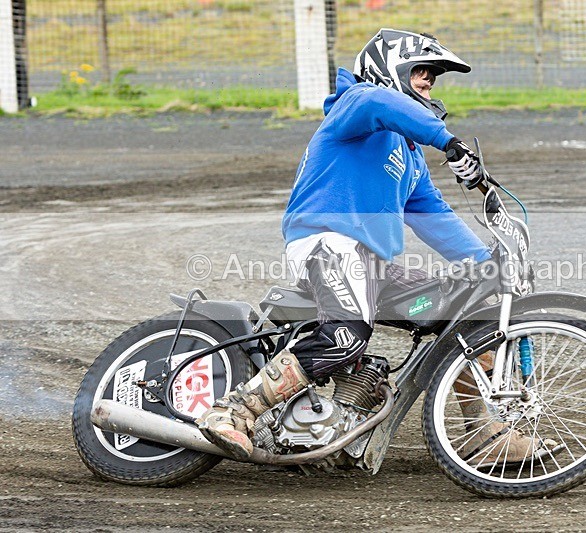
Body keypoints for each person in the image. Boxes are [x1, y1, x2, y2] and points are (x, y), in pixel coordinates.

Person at [197, 29, 552, 465]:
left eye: (433, 76)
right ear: (388, 70)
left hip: (371, 266)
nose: (428, 82)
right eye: (420, 70)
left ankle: (487, 433)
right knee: (345, 337)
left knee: (465, 311)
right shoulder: (355, 105)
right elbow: (378, 104)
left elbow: (433, 217)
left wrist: (490, 265)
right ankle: (233, 411)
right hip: (327, 244)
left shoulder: (407, 156)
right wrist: (446, 140)